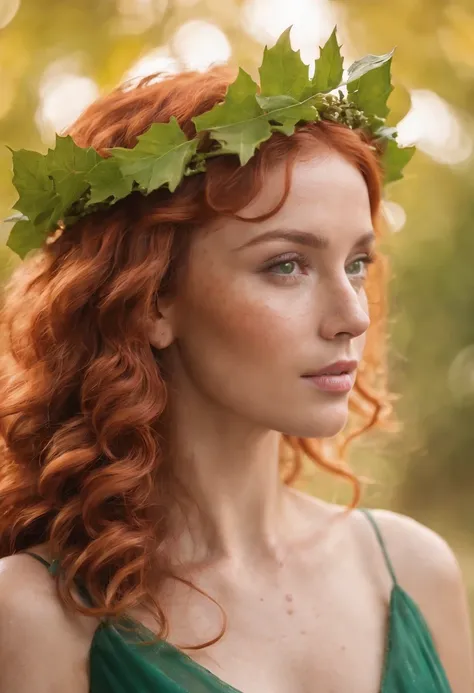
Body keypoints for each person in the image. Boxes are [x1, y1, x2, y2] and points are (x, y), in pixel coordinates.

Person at [0, 28, 472, 693]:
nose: (353, 316)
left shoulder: (414, 573)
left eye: (356, 263)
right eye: (287, 265)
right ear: (150, 303)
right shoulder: (35, 616)